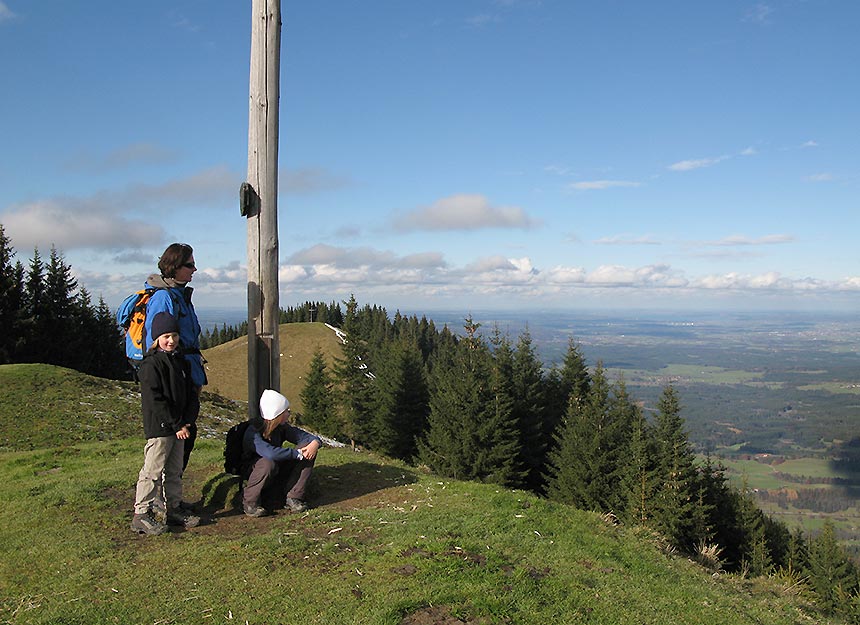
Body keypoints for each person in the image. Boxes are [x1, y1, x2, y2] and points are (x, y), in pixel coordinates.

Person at [131, 312, 201, 535]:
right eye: (166, 336)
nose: (171, 341)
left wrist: (187, 421)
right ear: (157, 338)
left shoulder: (179, 361)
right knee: (152, 470)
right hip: (161, 428)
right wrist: (177, 423)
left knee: (174, 470)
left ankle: (174, 507)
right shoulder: (150, 365)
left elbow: (191, 393)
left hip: (179, 427)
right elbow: (155, 401)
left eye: (175, 336)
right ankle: (141, 514)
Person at [143, 243, 206, 475]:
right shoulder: (165, 298)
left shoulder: (180, 295)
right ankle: (163, 497)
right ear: (175, 267)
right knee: (174, 433)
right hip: (176, 375)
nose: (194, 269)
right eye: (190, 265)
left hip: (188, 371)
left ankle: (172, 494)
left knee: (186, 432)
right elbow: (158, 341)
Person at [241, 390, 322, 517]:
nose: (289, 414)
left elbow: (305, 437)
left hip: (275, 467)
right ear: (277, 414)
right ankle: (250, 502)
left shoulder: (281, 428)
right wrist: (297, 454)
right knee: (267, 463)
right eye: (286, 411)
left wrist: (315, 443)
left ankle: (294, 496)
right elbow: (269, 453)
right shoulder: (253, 432)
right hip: (255, 469)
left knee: (308, 449)